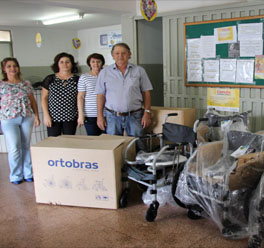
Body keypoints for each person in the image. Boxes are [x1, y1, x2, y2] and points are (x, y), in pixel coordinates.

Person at [95, 42, 153, 138]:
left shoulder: (139, 70)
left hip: (135, 115)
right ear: (112, 55)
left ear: (129, 55)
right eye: (117, 53)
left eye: (123, 53)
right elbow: (100, 95)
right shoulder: (104, 72)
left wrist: (147, 113)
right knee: (113, 145)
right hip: (112, 116)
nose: (120, 56)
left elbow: (146, 92)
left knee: (138, 143)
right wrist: (100, 116)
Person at [0, 57, 40, 184]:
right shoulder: (1, 85)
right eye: (9, 66)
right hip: (8, 119)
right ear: (4, 69)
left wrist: (37, 116)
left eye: (15, 66)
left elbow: (32, 101)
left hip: (26, 117)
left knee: (26, 146)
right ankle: (16, 175)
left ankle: (28, 173)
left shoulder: (26, 83)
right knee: (14, 148)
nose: (13, 68)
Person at [41, 52, 79, 137]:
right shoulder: (50, 79)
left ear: (72, 64)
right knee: (53, 143)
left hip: (71, 117)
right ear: (57, 64)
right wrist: (46, 115)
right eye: (61, 62)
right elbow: (44, 98)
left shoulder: (77, 80)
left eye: (67, 62)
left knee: (69, 143)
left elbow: (80, 98)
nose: (65, 64)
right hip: (53, 118)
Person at [77, 53, 105, 135]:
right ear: (89, 63)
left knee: (107, 138)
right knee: (93, 139)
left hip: (106, 113)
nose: (96, 64)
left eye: (98, 61)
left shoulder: (107, 76)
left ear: (102, 63)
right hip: (90, 114)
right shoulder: (84, 77)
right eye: (93, 61)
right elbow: (80, 97)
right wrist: (81, 115)